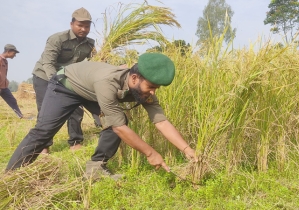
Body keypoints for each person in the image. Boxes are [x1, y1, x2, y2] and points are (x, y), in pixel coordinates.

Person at [6, 53, 197, 179]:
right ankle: (11, 175)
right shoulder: (108, 83)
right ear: (134, 78)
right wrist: (150, 153)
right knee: (44, 131)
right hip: (66, 85)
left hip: (91, 91)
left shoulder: (143, 90)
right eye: (151, 87)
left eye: (157, 88)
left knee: (117, 122)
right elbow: (119, 128)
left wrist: (187, 149)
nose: (154, 93)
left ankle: (95, 168)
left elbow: (161, 122)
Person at [32, 7, 97, 153]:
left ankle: (75, 142)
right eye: (80, 25)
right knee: (45, 111)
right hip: (44, 76)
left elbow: (94, 63)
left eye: (87, 26)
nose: (83, 29)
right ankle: (44, 146)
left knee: (75, 108)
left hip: (69, 78)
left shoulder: (90, 44)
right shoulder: (57, 39)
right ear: (71, 24)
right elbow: (48, 63)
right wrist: (55, 83)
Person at [0, 44, 24, 119]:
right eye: (14, 53)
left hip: (4, 87)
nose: (14, 55)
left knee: (12, 100)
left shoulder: (5, 61)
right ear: (8, 51)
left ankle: (20, 116)